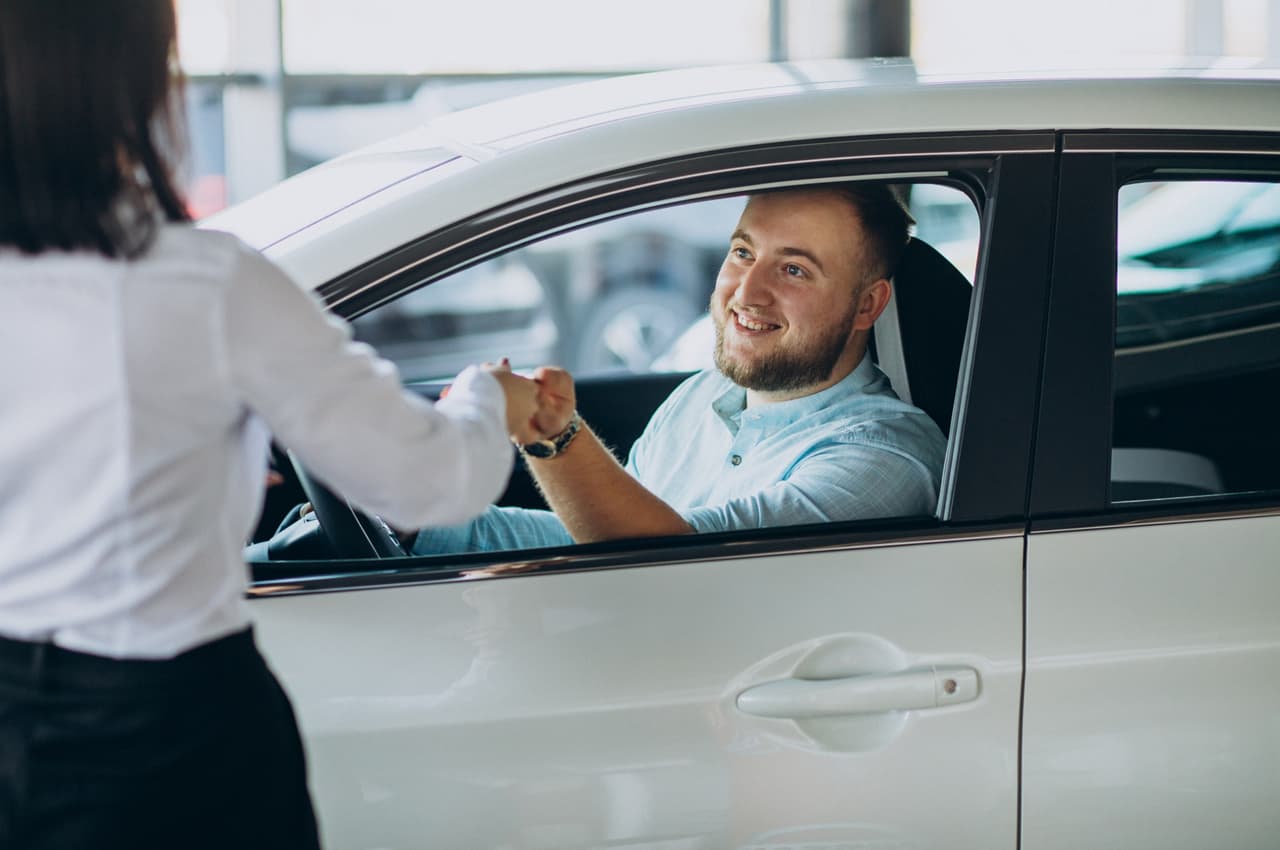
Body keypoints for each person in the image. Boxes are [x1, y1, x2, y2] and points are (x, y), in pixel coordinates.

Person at [0, 3, 543, 848]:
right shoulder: (202, 286)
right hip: (168, 736)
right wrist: (487, 400)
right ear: (131, 81)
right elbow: (431, 483)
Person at [412, 184, 948, 555]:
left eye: (793, 269)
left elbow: (673, 556)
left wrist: (549, 429)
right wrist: (420, 524)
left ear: (866, 306)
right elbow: (593, 531)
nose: (747, 292)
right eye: (742, 252)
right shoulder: (699, 398)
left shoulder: (887, 460)